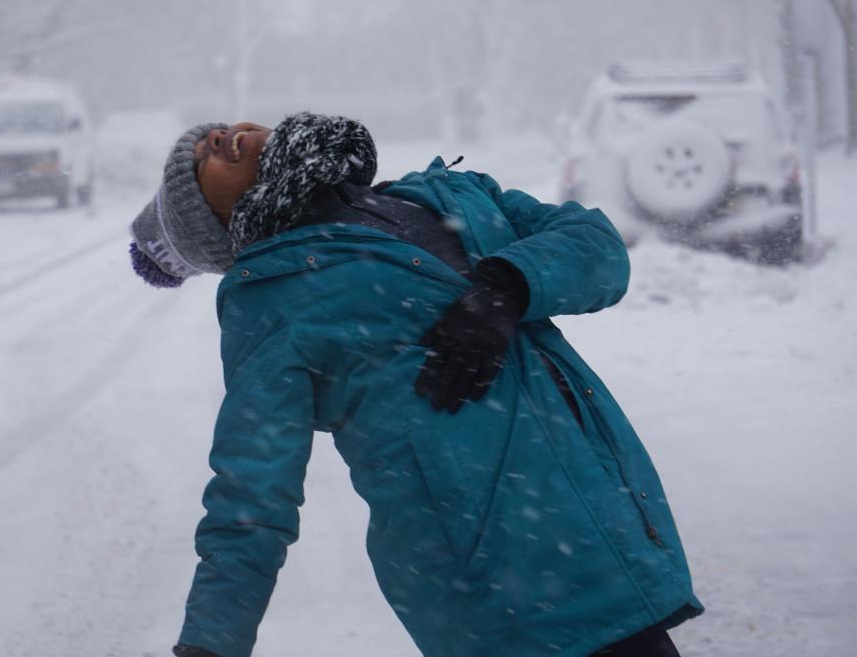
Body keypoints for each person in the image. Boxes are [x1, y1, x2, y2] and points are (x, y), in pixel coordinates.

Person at [128, 112, 702, 657]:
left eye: (216, 130)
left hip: (604, 525)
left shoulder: (445, 194)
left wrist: (508, 285)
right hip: (496, 581)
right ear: (219, 224)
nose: (220, 138)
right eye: (203, 162)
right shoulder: (273, 296)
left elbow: (596, 248)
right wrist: (212, 641)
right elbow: (252, 488)